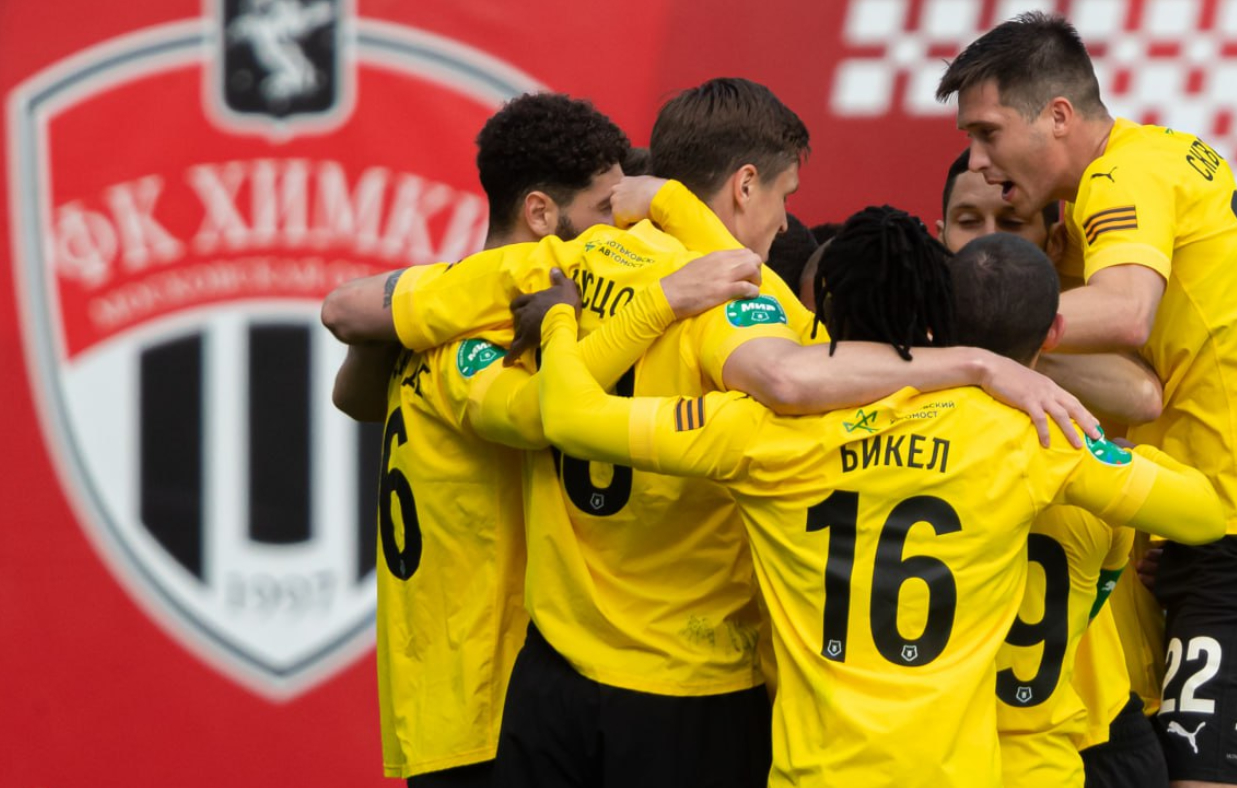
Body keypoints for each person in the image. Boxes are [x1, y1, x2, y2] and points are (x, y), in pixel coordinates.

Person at [325, 77, 1100, 787]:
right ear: (745, 186)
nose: (785, 221)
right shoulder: (731, 293)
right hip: (687, 686)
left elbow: (351, 309)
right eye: (784, 197)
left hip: (554, 675)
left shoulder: (559, 261)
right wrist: (974, 365)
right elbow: (786, 378)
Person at [531, 216, 1226, 788]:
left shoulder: (755, 431)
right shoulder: (1023, 437)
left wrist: (562, 320)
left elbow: (565, 414)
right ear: (934, 322)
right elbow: (1203, 514)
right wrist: (1121, 455)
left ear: (819, 318)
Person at [938, 13, 1237, 788]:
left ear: (1059, 116)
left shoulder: (1120, 177)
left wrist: (962, 332)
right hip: (1197, 525)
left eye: (988, 133)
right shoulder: (1158, 159)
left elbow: (1126, 313)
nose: (979, 161)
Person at [325, 92, 638, 788]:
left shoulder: (435, 311)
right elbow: (545, 413)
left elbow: (354, 397)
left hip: (450, 685)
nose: (618, 234)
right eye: (605, 211)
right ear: (540, 215)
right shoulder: (479, 328)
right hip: (490, 691)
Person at [937, 149, 1168, 787]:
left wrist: (1005, 351)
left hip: (1088, 706)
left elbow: (1142, 396)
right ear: (939, 233)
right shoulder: (904, 349)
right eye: (967, 221)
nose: (987, 240)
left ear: (1053, 241)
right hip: (945, 721)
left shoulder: (1073, 336)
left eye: (1012, 224)